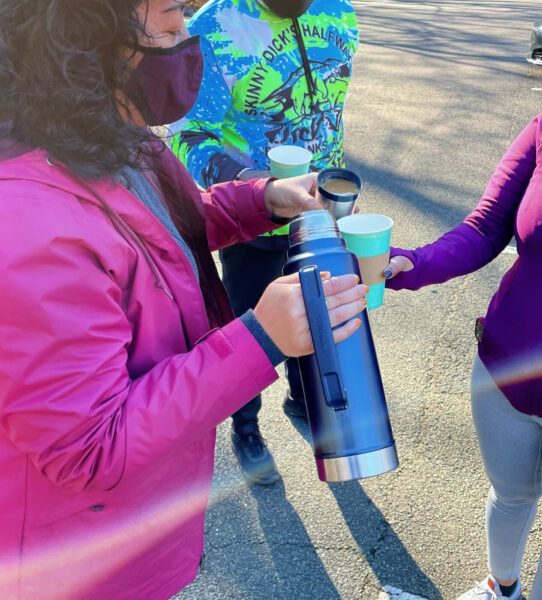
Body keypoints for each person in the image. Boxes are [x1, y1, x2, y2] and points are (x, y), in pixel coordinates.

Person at [0, 1, 368, 599]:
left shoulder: (104, 138)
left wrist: (263, 199)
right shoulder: (28, 222)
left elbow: (162, 233)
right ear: (85, 40)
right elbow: (89, 448)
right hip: (81, 567)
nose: (188, 41)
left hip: (140, 525)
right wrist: (260, 337)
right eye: (171, 27)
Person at [384, 101, 542, 600]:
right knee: (510, 495)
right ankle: (500, 589)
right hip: (504, 371)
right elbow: (485, 227)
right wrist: (409, 264)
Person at [170, 0, 359, 485]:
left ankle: (304, 398)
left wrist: (333, 182)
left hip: (322, 218)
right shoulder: (213, 27)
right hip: (247, 222)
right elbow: (189, 136)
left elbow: (329, 110)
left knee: (320, 317)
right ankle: (246, 427)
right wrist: (260, 188)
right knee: (247, 333)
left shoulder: (338, 12)